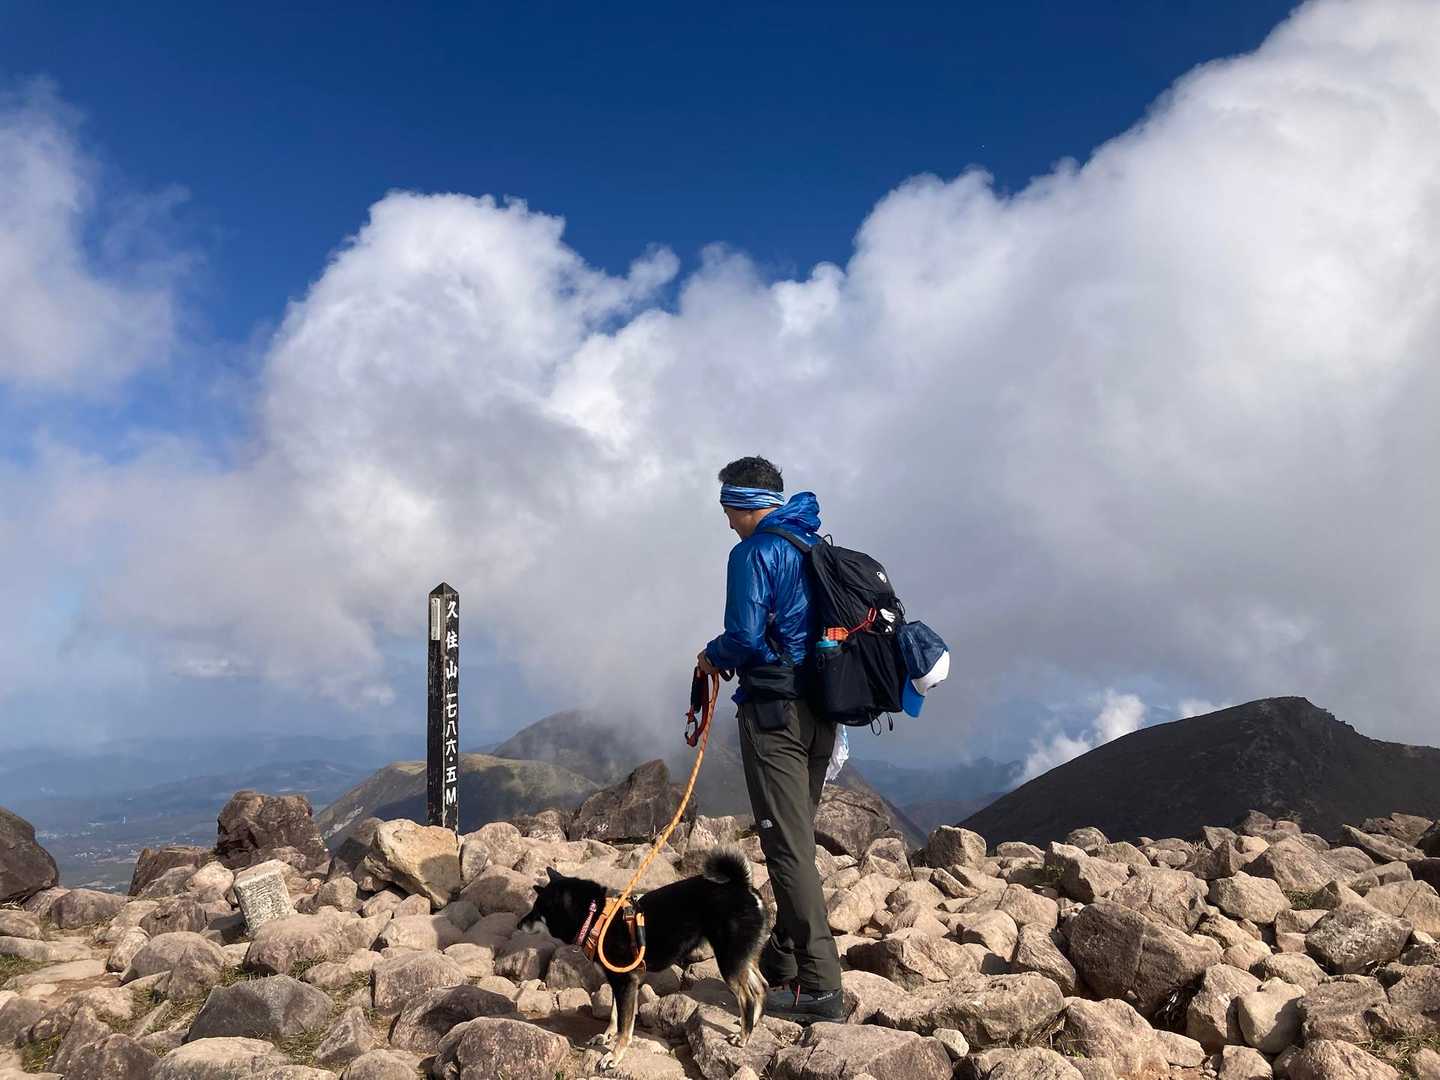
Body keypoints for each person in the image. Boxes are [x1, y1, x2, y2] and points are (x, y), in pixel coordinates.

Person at [696, 455, 844, 1023]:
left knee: (786, 847)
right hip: (822, 711)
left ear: (746, 504)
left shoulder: (754, 553)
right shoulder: (811, 544)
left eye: (728, 508)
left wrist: (712, 657)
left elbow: (745, 635)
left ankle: (821, 986)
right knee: (796, 839)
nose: (727, 520)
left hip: (774, 713)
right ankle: (782, 958)